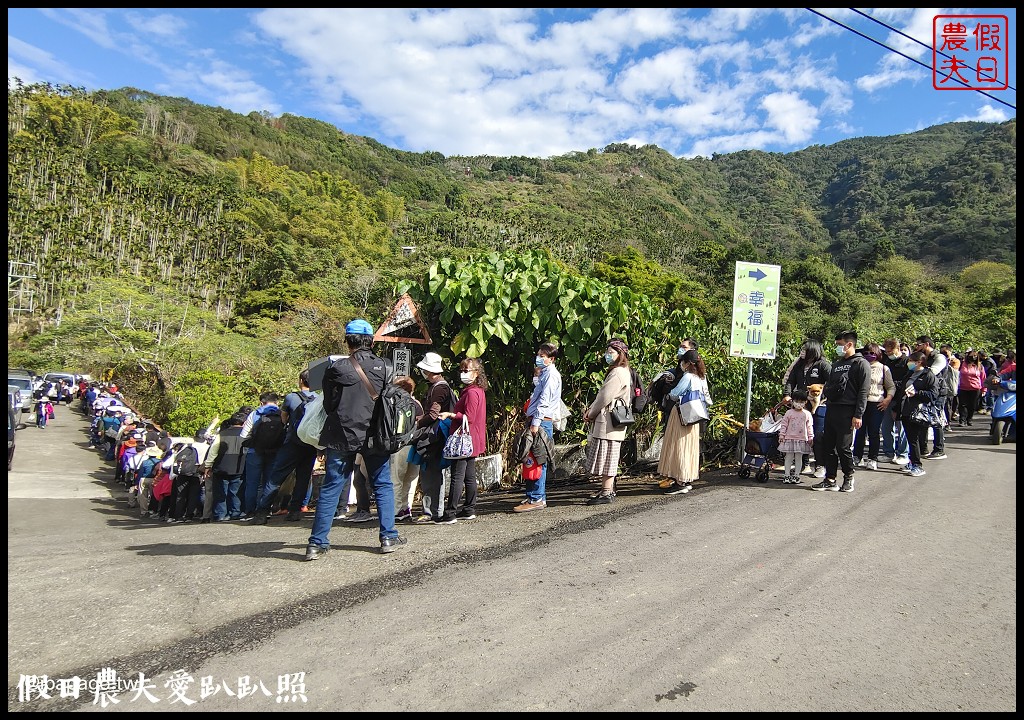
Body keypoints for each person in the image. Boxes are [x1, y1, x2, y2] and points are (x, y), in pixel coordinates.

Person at [306, 319, 405, 560]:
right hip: (374, 436)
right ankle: (388, 537)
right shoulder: (384, 366)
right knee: (382, 485)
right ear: (371, 341)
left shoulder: (336, 368)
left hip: (341, 436)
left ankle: (316, 544)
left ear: (348, 341)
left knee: (331, 487)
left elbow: (329, 404)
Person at [249, 371, 319, 524]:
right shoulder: (318, 398)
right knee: (303, 478)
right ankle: (295, 511)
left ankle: (262, 512)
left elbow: (283, 418)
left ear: (301, 380)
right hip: (310, 443)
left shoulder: (291, 397)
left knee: (276, 477)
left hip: (292, 443)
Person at [811, 331, 870, 493]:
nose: (837, 347)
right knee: (827, 445)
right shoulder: (836, 365)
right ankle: (830, 479)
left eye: (839, 344)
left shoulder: (860, 364)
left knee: (843, 447)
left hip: (848, 411)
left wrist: (858, 415)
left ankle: (849, 476)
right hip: (832, 408)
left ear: (849, 344)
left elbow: (863, 392)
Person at [436, 357, 488, 523]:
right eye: (462, 371)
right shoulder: (477, 390)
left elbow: (469, 417)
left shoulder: (472, 392)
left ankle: (450, 513)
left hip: (465, 439)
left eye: (466, 371)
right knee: (468, 476)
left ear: (476, 373)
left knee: (458, 477)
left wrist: (450, 415)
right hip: (473, 439)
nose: (463, 374)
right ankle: (468, 509)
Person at [581, 339, 632, 505]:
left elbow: (605, 396)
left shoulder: (618, 372)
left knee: (608, 455)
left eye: (611, 352)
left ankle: (606, 492)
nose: (607, 356)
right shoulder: (622, 371)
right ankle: (606, 490)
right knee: (608, 454)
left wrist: (591, 412)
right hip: (612, 421)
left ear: (620, 354)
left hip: (609, 420)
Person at [515, 343, 563, 512]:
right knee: (531, 459)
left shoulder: (551, 375)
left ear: (552, 359)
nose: (539, 358)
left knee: (538, 459)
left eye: (543, 356)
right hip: (537, 419)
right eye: (539, 355)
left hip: (541, 421)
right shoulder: (544, 374)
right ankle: (533, 496)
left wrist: (535, 423)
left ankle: (537, 498)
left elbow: (544, 400)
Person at [412, 351, 456, 523]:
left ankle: (432, 511)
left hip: (434, 437)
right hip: (439, 434)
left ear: (429, 371)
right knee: (434, 472)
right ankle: (434, 510)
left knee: (431, 472)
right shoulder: (444, 387)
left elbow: (433, 414)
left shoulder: (438, 389)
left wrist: (417, 423)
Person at [657, 349, 707, 495]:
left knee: (678, 446)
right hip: (694, 416)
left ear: (686, 363)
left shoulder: (688, 377)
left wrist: (669, 390)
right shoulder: (700, 377)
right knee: (689, 447)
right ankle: (686, 479)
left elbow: (674, 394)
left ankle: (680, 482)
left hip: (681, 415)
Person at [781, 339, 831, 474]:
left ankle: (820, 465)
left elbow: (831, 383)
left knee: (817, 436)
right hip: (800, 405)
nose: (802, 352)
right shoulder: (799, 365)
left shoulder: (823, 365)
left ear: (813, 351)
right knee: (800, 434)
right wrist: (787, 395)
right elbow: (791, 380)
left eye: (805, 350)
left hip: (819, 406)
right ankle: (805, 464)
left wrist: (820, 395)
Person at [238, 392, 285, 517]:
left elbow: (243, 435)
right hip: (275, 451)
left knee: (252, 483)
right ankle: (265, 509)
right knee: (270, 482)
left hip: (255, 451)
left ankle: (250, 511)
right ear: (277, 402)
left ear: (261, 402)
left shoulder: (255, 414)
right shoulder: (282, 414)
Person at [897, 351, 940, 478]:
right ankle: (911, 462)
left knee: (914, 439)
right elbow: (901, 389)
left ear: (919, 361)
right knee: (910, 439)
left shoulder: (928, 375)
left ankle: (917, 465)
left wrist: (917, 393)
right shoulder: (910, 373)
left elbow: (933, 395)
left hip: (919, 412)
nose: (909, 363)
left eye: (911, 360)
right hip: (906, 410)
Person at [852, 343, 895, 471]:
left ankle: (872, 459)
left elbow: (891, 386)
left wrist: (888, 399)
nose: (869, 355)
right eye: (866, 353)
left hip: (877, 403)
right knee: (860, 431)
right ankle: (857, 457)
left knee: (874, 432)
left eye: (872, 353)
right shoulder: (859, 366)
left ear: (877, 354)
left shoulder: (883, 368)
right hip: (861, 403)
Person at [202, 412, 248, 521]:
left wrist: (208, 466)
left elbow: (213, 451)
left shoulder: (221, 434)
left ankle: (220, 514)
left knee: (220, 493)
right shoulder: (246, 434)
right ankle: (235, 513)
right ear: (244, 422)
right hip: (239, 468)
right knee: (236, 492)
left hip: (221, 467)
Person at [391, 375, 424, 522]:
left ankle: (397, 510)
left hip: (400, 446)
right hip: (415, 445)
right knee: (410, 479)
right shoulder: (416, 404)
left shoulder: (395, 404)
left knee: (396, 479)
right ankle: (406, 508)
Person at [915, 336, 948, 460]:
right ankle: (923, 449)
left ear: (926, 344)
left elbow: (932, 372)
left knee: (936, 420)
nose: (917, 347)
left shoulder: (939, 357)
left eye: (919, 344)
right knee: (923, 419)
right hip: (925, 391)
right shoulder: (923, 357)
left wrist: (919, 370)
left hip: (938, 392)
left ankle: (939, 449)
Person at [878, 338, 911, 467]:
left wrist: (892, 385)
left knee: (901, 428)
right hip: (887, 398)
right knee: (886, 427)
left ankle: (903, 454)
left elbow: (906, 382)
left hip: (901, 399)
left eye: (891, 351)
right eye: (886, 351)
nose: (888, 353)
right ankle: (888, 452)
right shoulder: (886, 361)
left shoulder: (906, 362)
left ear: (898, 349)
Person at [778, 388, 814, 484]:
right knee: (788, 457)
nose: (799, 404)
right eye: (796, 401)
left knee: (799, 458)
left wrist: (811, 437)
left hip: (802, 439)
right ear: (792, 401)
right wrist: (782, 435)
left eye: (801, 402)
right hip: (789, 438)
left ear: (805, 402)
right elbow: (784, 424)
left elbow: (809, 426)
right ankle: (786, 475)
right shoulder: (788, 413)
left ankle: (797, 475)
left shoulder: (807, 414)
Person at [957, 351, 987, 427]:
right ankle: (962, 420)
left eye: (975, 356)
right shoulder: (962, 364)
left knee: (972, 405)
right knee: (962, 404)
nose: (973, 357)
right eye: (971, 355)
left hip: (975, 388)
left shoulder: (980, 366)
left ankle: (969, 419)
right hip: (963, 388)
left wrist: (984, 389)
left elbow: (983, 378)